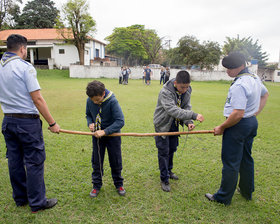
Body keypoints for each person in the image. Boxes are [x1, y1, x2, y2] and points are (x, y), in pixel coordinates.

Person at [0, 34, 60, 213]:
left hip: (8, 120)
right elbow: (38, 98)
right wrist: (52, 123)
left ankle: (20, 199)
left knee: (15, 161)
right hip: (27, 122)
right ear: (22, 49)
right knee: (34, 162)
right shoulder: (24, 67)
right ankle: (37, 202)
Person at [205, 52, 269, 205]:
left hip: (237, 126)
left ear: (240, 66)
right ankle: (247, 191)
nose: (227, 71)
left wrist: (221, 127)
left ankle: (223, 197)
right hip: (250, 123)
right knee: (246, 159)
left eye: (230, 68)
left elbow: (238, 113)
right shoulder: (254, 78)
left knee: (231, 162)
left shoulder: (239, 85)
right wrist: (254, 114)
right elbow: (265, 95)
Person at [153, 70, 204, 192]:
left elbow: (186, 107)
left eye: (187, 87)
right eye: (182, 87)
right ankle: (164, 179)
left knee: (172, 149)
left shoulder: (187, 90)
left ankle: (169, 171)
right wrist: (193, 115)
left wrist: (189, 122)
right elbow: (172, 110)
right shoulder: (165, 92)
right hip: (163, 125)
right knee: (164, 152)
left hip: (175, 124)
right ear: (175, 83)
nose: (185, 90)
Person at [86, 80, 126, 197]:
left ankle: (119, 184)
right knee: (96, 161)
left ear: (103, 93)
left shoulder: (112, 101)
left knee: (115, 161)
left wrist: (105, 131)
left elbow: (120, 121)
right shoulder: (90, 100)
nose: (95, 102)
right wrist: (90, 123)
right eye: (93, 100)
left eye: (97, 100)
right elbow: (88, 114)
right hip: (97, 136)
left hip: (112, 136)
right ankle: (96, 185)